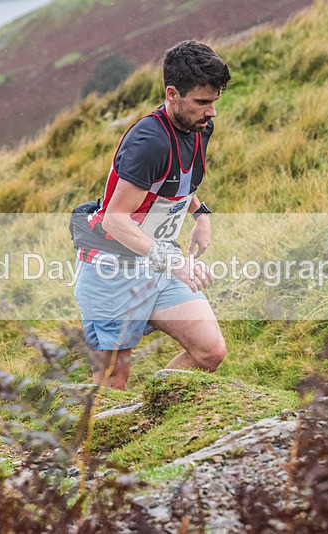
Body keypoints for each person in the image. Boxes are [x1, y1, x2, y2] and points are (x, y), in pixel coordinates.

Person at [73, 40, 231, 390]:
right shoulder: (149, 142)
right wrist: (174, 261)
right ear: (172, 93)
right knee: (114, 378)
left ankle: (154, 406)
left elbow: (179, 180)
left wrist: (200, 215)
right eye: (202, 102)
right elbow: (115, 218)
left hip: (156, 263)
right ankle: (91, 443)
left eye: (215, 102)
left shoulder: (199, 128)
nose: (211, 113)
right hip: (110, 269)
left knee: (209, 352)